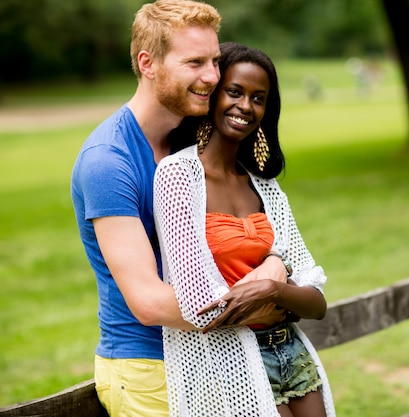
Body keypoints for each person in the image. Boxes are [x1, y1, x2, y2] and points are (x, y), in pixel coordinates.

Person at [70, 3, 287, 416]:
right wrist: (269, 302)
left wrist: (275, 261)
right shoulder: (108, 161)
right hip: (148, 368)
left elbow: (248, 229)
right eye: (195, 63)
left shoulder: (193, 142)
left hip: (215, 352)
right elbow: (150, 301)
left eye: (215, 61)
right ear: (147, 64)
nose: (212, 77)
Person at [154, 42, 336, 417]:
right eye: (234, 92)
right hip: (230, 361)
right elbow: (202, 308)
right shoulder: (177, 176)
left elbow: (316, 301)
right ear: (213, 95)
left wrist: (273, 287)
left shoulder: (267, 188)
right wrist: (279, 277)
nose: (245, 106)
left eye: (258, 98)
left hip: (292, 354)